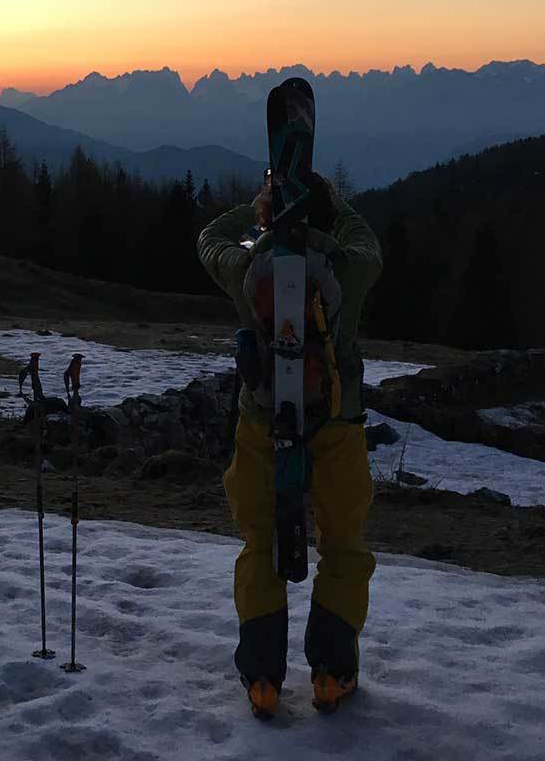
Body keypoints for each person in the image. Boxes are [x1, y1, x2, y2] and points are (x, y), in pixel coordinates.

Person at [197, 159, 382, 718]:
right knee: (343, 544)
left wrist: (260, 208)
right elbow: (363, 238)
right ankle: (332, 670)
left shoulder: (249, 267)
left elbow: (210, 239)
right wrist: (325, 203)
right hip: (337, 423)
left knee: (260, 541)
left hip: (262, 423)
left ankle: (262, 677)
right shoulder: (349, 268)